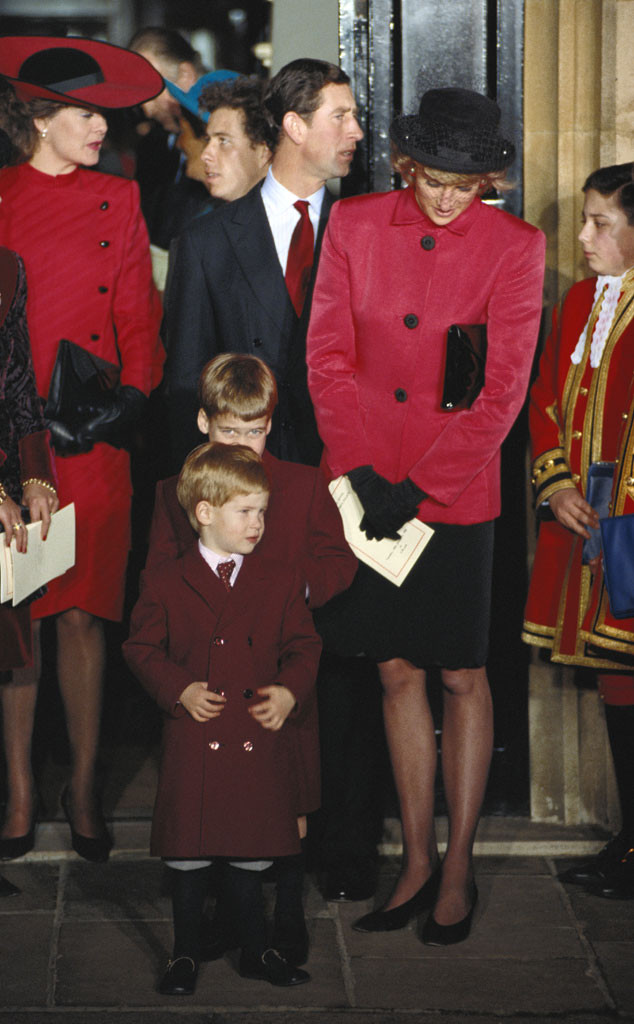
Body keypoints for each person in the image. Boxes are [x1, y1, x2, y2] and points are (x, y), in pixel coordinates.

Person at [306, 87, 546, 943]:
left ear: (489, 181)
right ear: (406, 164)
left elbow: (503, 392)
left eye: (468, 183)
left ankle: (457, 867)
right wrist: (366, 473)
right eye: (435, 179)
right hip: (366, 484)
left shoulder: (517, 247)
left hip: (457, 494)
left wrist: (424, 484)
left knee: (459, 674)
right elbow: (327, 359)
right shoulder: (356, 225)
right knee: (395, 669)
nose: (449, 198)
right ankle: (412, 858)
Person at [0, 36, 164, 862]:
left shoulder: (120, 201)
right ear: (39, 117)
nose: (103, 128)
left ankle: (86, 786)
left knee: (85, 621)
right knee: (21, 617)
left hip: (94, 441)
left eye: (104, 115)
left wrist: (128, 403)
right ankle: (22, 792)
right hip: (14, 445)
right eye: (87, 114)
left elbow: (139, 316)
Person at [124, 443, 322, 994]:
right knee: (189, 856)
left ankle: (258, 951)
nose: (258, 523)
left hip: (255, 733)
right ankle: (183, 955)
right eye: (245, 511)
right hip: (197, 736)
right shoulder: (166, 579)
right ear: (204, 512)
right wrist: (178, 688)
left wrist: (288, 692)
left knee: (252, 852)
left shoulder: (278, 579)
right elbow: (140, 648)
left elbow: (305, 646)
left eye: (262, 511)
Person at [163, 57, 363, 469]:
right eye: (340, 117)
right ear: (294, 127)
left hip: (342, 479)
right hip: (244, 483)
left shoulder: (365, 235)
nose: (356, 132)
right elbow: (185, 386)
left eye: (354, 117)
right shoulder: (204, 243)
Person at [523, 162, 634, 901]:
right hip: (586, 523)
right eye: (584, 221)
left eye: (602, 223)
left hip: (628, 522)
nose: (585, 237)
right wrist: (556, 482)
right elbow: (544, 401)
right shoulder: (576, 303)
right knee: (615, 680)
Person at [0, 237, 59, 866]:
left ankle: (20, 794)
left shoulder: (9, 265)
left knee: (18, 642)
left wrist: (36, 473)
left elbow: (18, 376)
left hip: (5, 486)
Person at [196, 75, 272, 202]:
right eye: (208, 140)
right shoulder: (206, 218)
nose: (204, 155)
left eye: (223, 140)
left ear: (265, 151)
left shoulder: (304, 218)